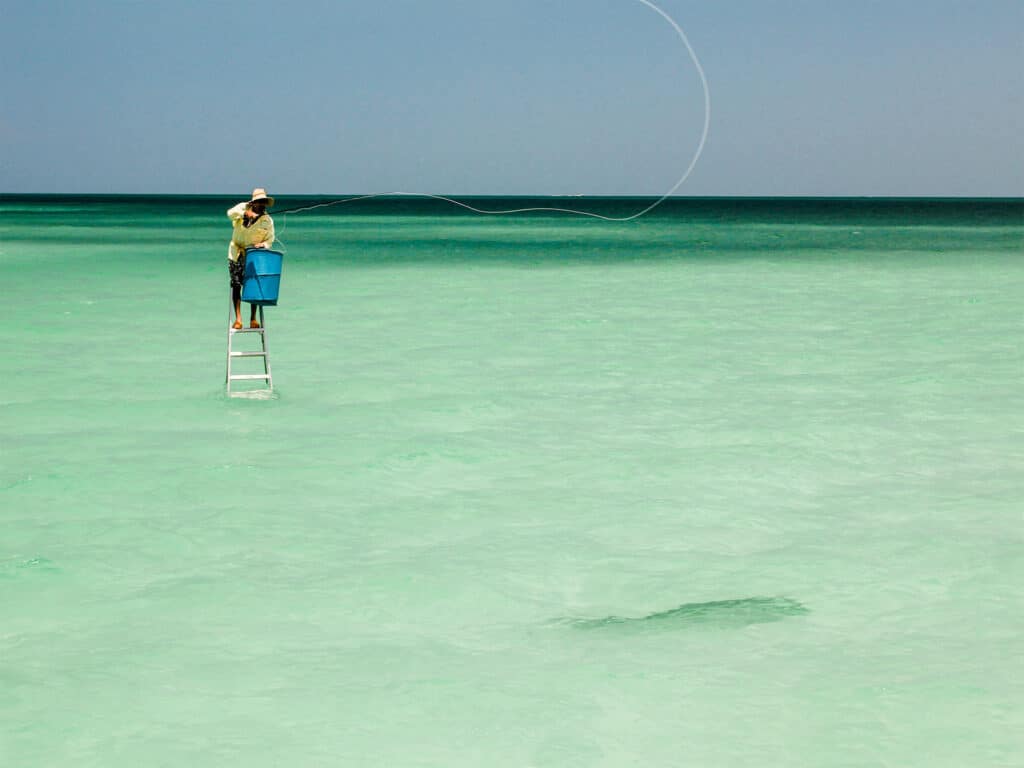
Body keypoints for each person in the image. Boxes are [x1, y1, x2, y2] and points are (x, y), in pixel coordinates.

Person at [227, 188, 276, 329]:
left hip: (254, 254)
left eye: (264, 203)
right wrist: (244, 213)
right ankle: (238, 318)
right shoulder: (243, 207)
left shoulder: (267, 220)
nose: (262, 205)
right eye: (259, 202)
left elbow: (270, 239)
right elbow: (229, 214)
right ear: (253, 202)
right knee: (236, 285)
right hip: (236, 253)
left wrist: (264, 244)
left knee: (252, 286)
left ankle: (253, 318)